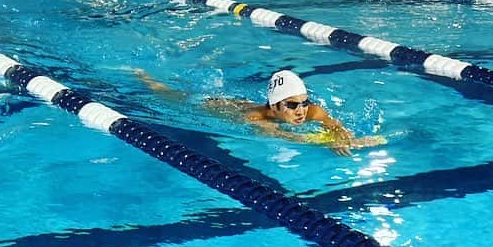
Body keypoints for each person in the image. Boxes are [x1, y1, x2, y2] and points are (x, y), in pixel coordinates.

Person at [136, 68, 386, 156]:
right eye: (291, 105)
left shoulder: (312, 111)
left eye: (303, 102)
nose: (300, 111)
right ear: (275, 106)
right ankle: (141, 74)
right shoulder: (257, 119)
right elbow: (287, 138)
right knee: (168, 94)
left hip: (239, 100)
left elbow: (336, 125)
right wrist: (334, 143)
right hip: (210, 106)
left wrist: (342, 136)